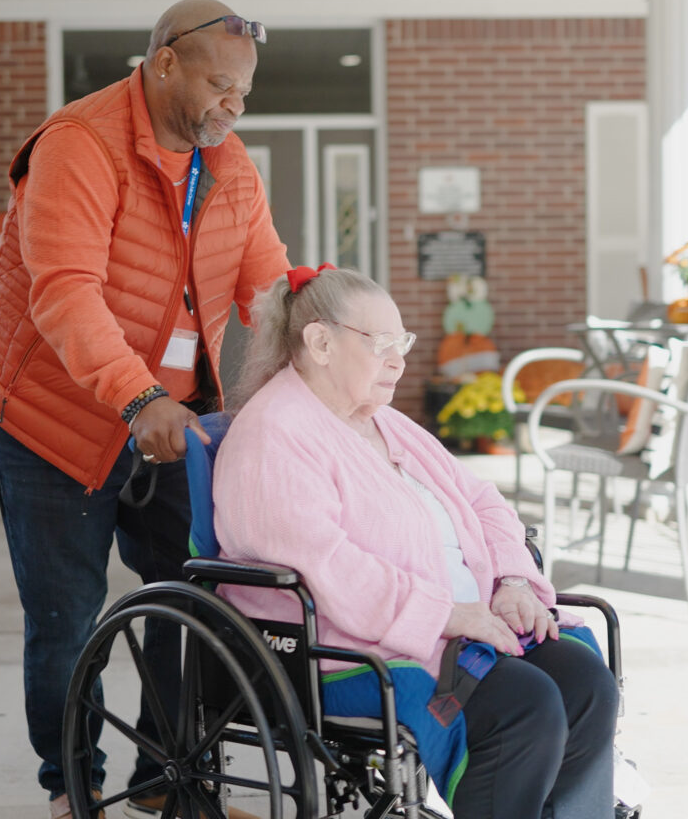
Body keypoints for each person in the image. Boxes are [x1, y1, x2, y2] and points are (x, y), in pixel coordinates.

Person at [0, 0, 289, 819]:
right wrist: (138, 395)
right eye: (221, 86)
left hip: (172, 414)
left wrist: (333, 356)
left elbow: (271, 288)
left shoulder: (229, 164)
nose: (233, 106)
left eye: (244, 93)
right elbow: (65, 294)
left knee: (195, 593)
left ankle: (169, 780)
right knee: (67, 614)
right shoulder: (80, 144)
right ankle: (74, 786)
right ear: (164, 62)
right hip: (49, 413)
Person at [213, 266, 618, 818]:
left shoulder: (384, 422)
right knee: (525, 706)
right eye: (380, 343)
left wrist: (513, 581)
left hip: (460, 625)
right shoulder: (275, 433)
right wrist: (448, 614)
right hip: (348, 650)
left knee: (586, 683)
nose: (398, 360)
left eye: (401, 342)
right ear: (320, 343)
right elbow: (324, 565)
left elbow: (484, 501)